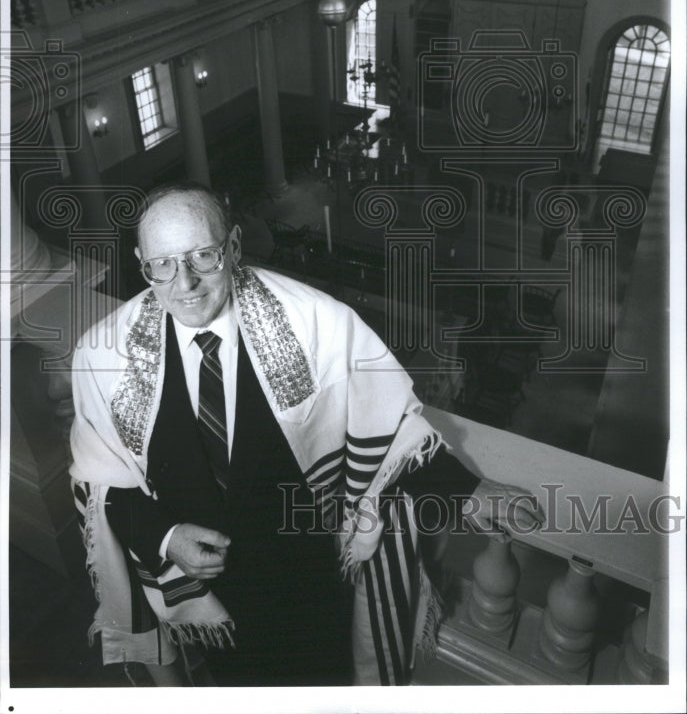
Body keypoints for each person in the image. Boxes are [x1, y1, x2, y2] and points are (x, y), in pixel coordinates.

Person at [69, 182, 542, 686]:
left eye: (202, 256)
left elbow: (389, 424)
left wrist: (467, 491)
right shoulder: (104, 355)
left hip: (306, 579)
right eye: (162, 264)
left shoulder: (316, 323)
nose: (183, 282)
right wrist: (165, 538)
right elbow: (100, 485)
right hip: (200, 587)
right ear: (142, 262)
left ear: (232, 246)